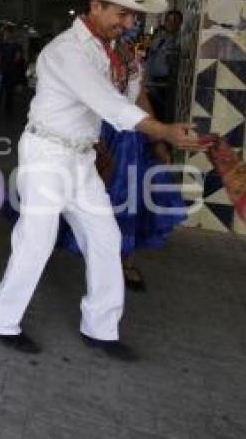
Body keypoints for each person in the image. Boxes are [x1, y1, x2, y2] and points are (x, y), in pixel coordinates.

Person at [0, 0, 209, 361]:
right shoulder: (67, 51)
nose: (128, 22)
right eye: (120, 13)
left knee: (106, 238)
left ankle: (101, 328)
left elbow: (130, 95)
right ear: (95, 5)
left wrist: (159, 126)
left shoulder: (118, 52)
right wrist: (164, 132)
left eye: (133, 15)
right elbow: (109, 105)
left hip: (83, 158)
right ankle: (1, 320)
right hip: (46, 155)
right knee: (35, 241)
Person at [54, 31, 187, 291]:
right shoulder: (88, 55)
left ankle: (125, 261)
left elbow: (140, 97)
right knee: (73, 195)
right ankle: (52, 243)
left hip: (132, 138)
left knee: (131, 199)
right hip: (97, 133)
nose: (125, 28)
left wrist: (158, 139)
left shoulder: (135, 58)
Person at [145, 10, 183, 122]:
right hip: (153, 83)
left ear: (180, 23)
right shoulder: (159, 39)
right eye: (169, 20)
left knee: (163, 114)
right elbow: (150, 58)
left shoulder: (179, 41)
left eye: (175, 21)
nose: (171, 23)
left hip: (167, 84)